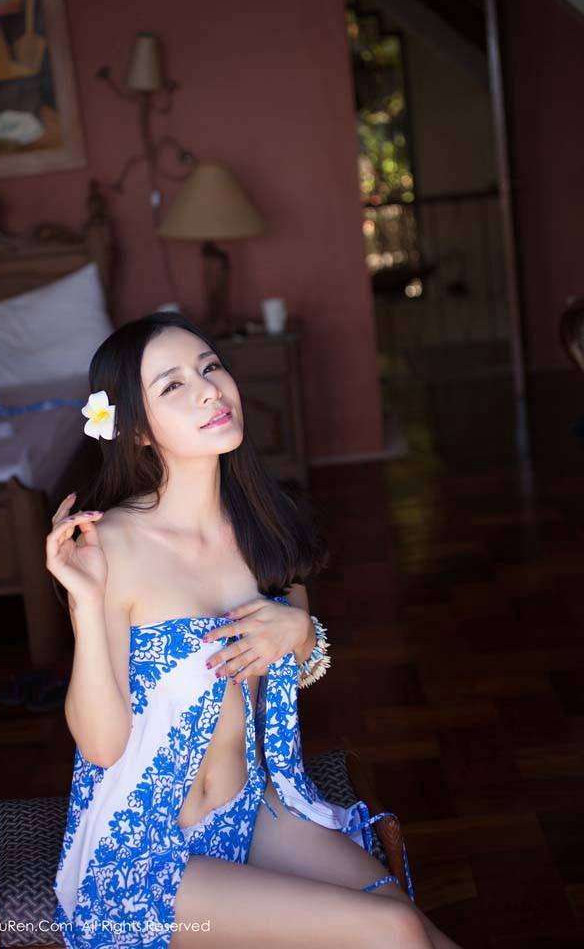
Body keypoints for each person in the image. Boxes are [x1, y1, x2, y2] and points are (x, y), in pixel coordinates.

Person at [47, 311, 462, 948]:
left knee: (415, 925)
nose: (208, 390)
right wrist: (83, 603)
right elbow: (102, 747)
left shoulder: (262, 526)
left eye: (210, 367)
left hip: (251, 812)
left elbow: (300, 648)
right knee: (396, 930)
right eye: (173, 385)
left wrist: (299, 631)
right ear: (134, 429)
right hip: (139, 856)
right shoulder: (113, 545)